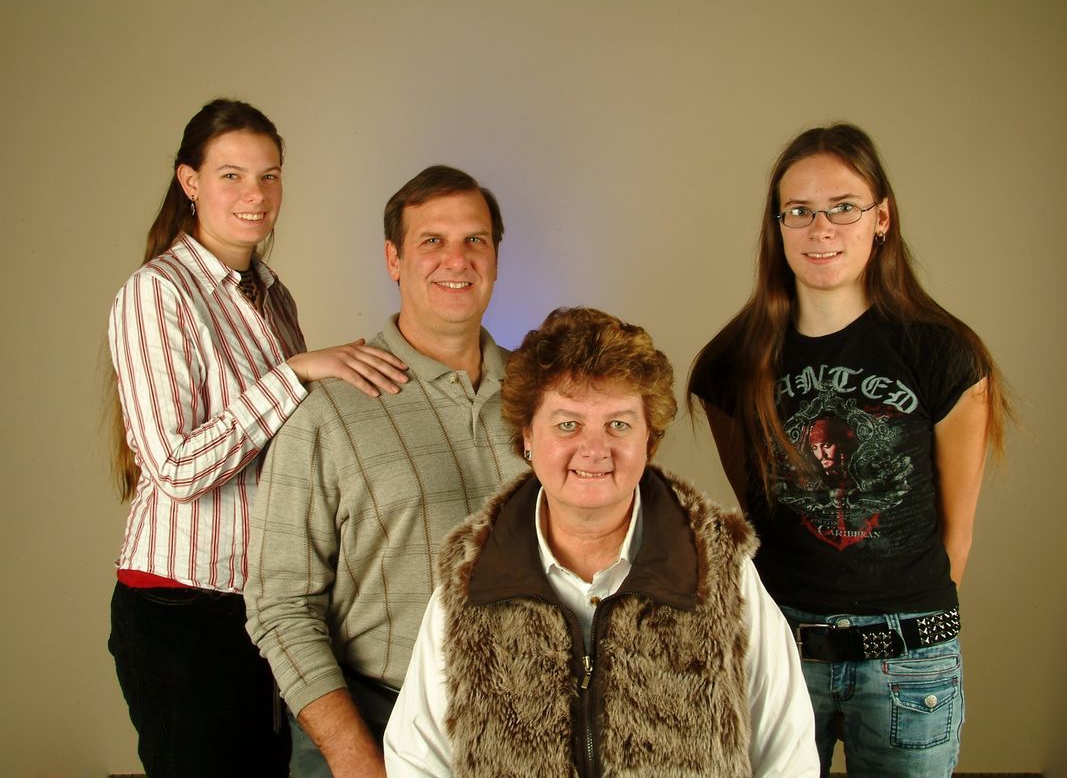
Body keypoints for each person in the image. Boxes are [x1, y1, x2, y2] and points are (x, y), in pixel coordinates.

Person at [688, 123, 1011, 777]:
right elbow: (758, 514)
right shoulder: (731, 363)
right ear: (777, 226)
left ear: (880, 218)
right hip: (780, 652)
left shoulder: (942, 354)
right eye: (799, 211)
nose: (821, 229)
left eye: (843, 207)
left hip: (909, 661)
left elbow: (956, 535)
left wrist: (900, 632)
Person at [384, 306, 819, 777]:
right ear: (528, 435)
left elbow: (788, 755)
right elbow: (416, 759)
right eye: (567, 424)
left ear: (648, 439)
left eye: (619, 424)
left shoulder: (718, 569)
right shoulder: (471, 576)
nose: (595, 449)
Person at [107, 98, 408, 778]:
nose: (257, 195)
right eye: (232, 176)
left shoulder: (272, 295)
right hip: (184, 606)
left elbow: (290, 447)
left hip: (268, 607)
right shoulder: (158, 292)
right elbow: (176, 468)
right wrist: (295, 373)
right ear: (190, 182)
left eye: (269, 176)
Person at [244, 165, 527, 778]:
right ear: (393, 259)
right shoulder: (326, 411)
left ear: (496, 258)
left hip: (523, 729)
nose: (457, 259)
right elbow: (280, 605)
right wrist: (352, 755)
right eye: (432, 240)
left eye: (475, 240)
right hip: (374, 724)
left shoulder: (546, 398)